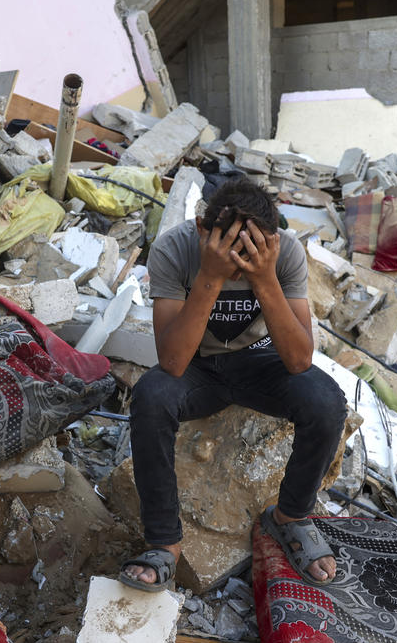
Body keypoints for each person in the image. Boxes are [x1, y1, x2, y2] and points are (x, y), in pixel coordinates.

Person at [119, 176, 347, 592]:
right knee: (152, 396)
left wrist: (264, 279)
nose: (241, 256)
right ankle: (164, 543)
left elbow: (298, 359)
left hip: (261, 363)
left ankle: (291, 517)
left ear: (272, 241)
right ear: (203, 229)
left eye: (254, 247)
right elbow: (171, 361)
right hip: (197, 367)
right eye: (230, 245)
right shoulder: (175, 248)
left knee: (326, 401)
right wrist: (210, 274)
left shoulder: (286, 255)